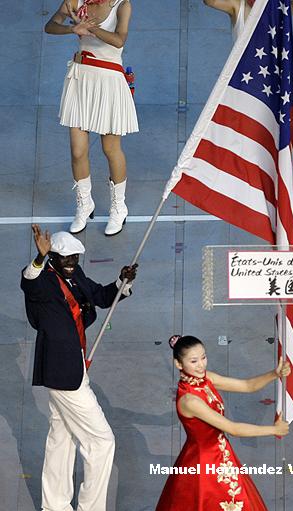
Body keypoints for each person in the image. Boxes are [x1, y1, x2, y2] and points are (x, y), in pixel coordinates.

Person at [21, 224, 138, 511]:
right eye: (65, 259)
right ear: (53, 259)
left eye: (74, 258)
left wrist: (123, 281)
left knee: (62, 437)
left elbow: (99, 296)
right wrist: (39, 257)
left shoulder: (76, 275)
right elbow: (28, 280)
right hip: (63, 375)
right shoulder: (43, 281)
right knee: (102, 441)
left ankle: (54, 505)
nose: (71, 264)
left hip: (74, 366)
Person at [155, 335, 290, 511]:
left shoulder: (207, 379)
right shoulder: (190, 400)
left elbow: (247, 386)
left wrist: (274, 374)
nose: (201, 365)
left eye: (203, 357)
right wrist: (273, 430)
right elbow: (233, 428)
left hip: (223, 455)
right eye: (194, 361)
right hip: (204, 463)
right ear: (178, 364)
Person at [45, 0, 139, 236]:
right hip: (79, 79)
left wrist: (91, 28)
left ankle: (119, 207)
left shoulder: (122, 5)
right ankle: (84, 204)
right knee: (77, 150)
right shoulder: (75, 2)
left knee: (110, 148)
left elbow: (119, 39)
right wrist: (71, 29)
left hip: (109, 80)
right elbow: (50, 25)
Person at [203, 0, 293, 43]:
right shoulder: (238, 7)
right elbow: (210, 1)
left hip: (270, 79)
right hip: (242, 80)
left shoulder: (276, 10)